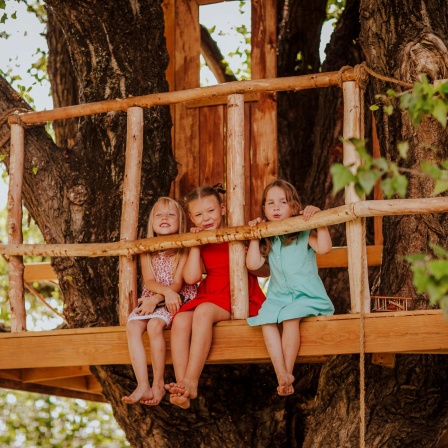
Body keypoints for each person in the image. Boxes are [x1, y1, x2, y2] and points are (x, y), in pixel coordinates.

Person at [165, 184, 266, 409]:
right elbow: (191, 278)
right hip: (210, 292)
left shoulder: (237, 234)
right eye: (199, 215)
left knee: (202, 311)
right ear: (191, 218)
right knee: (180, 319)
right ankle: (182, 385)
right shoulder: (201, 241)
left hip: (238, 295)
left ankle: (192, 381)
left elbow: (262, 269)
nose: (206, 218)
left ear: (223, 208)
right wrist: (195, 246)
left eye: (210, 211)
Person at [246, 179, 334, 396]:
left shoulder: (304, 232)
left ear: (294, 207)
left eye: (282, 202)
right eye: (270, 203)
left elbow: (324, 248)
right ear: (264, 209)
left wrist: (319, 221)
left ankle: (288, 370)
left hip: (307, 296)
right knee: (266, 319)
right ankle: (281, 374)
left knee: (289, 316)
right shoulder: (271, 237)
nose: (276, 207)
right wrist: (255, 236)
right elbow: (254, 264)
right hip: (278, 296)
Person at [122, 197, 196, 406]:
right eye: (159, 215)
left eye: (171, 214)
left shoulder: (184, 247)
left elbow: (178, 284)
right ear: (152, 222)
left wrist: (159, 298)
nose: (165, 218)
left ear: (180, 221)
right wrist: (153, 299)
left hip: (176, 297)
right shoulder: (147, 248)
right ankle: (142, 384)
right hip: (153, 296)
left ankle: (158, 383)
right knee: (133, 326)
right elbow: (149, 280)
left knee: (155, 326)